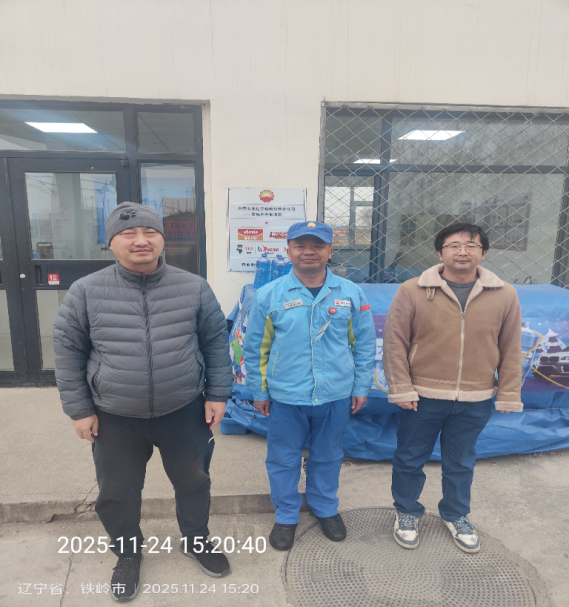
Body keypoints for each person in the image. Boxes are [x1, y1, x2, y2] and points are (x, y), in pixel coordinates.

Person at [53, 202, 233, 602]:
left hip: (183, 409)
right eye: (128, 234)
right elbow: (67, 352)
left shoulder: (193, 287)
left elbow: (216, 343)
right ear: (111, 242)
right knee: (117, 491)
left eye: (150, 232)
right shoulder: (86, 291)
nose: (140, 241)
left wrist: (218, 394)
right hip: (114, 415)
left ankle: (196, 539)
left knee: (194, 480)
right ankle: (128, 554)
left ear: (161, 239)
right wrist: (79, 410)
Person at [383, 223, 523, 553]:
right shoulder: (412, 290)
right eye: (454, 245)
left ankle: (456, 514)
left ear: (483, 253)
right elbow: (395, 342)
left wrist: (509, 392)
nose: (463, 251)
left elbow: (511, 346)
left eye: (471, 245)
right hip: (422, 397)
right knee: (409, 458)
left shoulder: (504, 294)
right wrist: (402, 388)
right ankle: (407, 511)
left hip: (476, 397)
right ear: (439, 252)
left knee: (461, 462)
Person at [243, 221, 376, 551]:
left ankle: (325, 507)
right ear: (288, 250)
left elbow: (364, 344)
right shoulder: (269, 295)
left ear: (330, 251)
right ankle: (286, 514)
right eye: (300, 245)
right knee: (283, 458)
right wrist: (259, 391)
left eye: (317, 245)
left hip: (336, 394)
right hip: (286, 395)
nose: (308, 252)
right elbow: (255, 347)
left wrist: (361, 387)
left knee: (328, 455)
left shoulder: (350, 293)